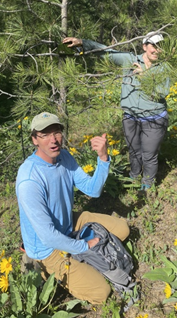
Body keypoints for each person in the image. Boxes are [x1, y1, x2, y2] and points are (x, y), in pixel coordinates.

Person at [16, 111, 130, 304]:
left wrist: (103, 158)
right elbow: (48, 236)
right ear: (35, 139)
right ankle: (38, 267)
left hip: (69, 222)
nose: (53, 140)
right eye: (45, 135)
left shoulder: (65, 158)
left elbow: (92, 190)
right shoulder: (29, 179)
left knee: (123, 229)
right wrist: (84, 245)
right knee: (101, 293)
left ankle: (78, 254)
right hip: (47, 248)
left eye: (57, 132)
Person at [63, 32, 170, 190]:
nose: (157, 50)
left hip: (154, 119)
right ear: (145, 46)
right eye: (154, 46)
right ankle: (133, 177)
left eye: (160, 47)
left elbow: (162, 92)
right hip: (130, 118)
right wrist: (82, 42)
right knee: (134, 151)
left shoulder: (164, 67)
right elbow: (107, 51)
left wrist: (144, 76)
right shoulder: (129, 60)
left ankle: (147, 185)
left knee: (149, 155)